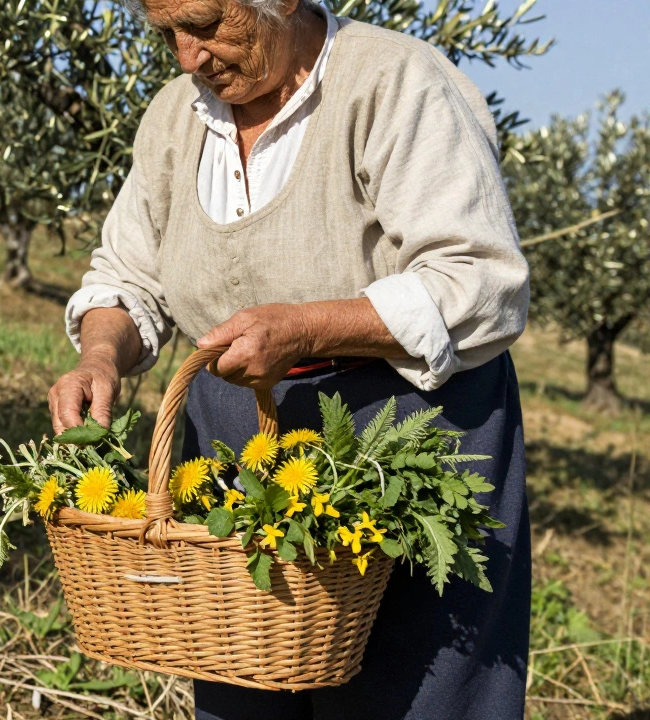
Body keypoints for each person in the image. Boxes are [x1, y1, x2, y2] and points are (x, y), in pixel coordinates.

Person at [48, 0, 531, 717]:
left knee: (422, 690)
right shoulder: (175, 119)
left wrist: (306, 330)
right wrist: (100, 355)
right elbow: (129, 274)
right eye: (168, 33)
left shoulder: (393, 83)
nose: (188, 56)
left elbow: (479, 281)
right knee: (244, 673)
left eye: (207, 24)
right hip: (236, 442)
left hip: (407, 433)